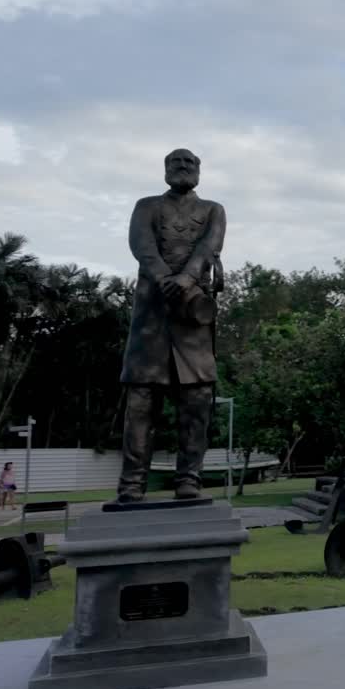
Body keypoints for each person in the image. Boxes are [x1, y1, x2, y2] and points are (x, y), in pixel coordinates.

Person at [116, 148, 226, 503]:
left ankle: (189, 479)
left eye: (189, 163)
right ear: (164, 170)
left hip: (192, 317)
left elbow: (210, 245)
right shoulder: (146, 205)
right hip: (151, 317)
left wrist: (187, 278)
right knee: (141, 401)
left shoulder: (213, 210)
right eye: (175, 163)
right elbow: (141, 246)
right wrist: (166, 277)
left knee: (197, 399)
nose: (182, 167)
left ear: (199, 171)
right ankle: (132, 485)